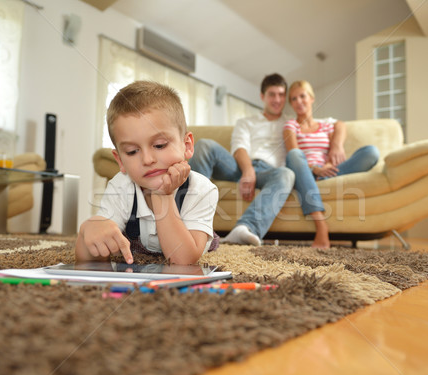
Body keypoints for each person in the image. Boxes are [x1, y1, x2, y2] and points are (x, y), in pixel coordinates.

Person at [75, 81, 219, 265]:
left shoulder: (202, 189)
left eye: (160, 145)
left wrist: (162, 196)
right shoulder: (121, 185)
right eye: (132, 151)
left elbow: (183, 260)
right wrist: (88, 233)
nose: (147, 159)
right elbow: (89, 259)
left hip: (191, 237)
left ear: (187, 146)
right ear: (120, 160)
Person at [189, 73, 295, 246]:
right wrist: (248, 171)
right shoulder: (247, 122)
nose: (277, 99)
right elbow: (239, 147)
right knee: (205, 145)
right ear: (262, 96)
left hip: (270, 173)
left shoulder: (291, 123)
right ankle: (191, 220)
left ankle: (245, 229)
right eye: (272, 94)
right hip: (239, 167)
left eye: (281, 95)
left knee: (287, 174)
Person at [284, 80, 380, 248]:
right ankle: (321, 226)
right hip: (306, 172)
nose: (299, 101)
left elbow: (340, 124)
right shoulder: (291, 125)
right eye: (293, 99)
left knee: (371, 152)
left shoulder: (325, 125)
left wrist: (335, 149)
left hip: (329, 172)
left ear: (312, 98)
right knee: (294, 154)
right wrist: (316, 169)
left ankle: (317, 183)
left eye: (302, 96)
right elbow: (293, 152)